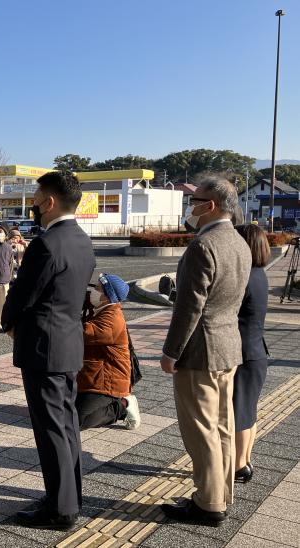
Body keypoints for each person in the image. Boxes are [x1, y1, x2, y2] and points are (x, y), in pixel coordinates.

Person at [1, 171, 96, 530]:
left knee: (51, 428)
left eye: (37, 201)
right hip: (68, 343)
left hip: (43, 346)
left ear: (50, 202)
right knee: (66, 425)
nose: (35, 208)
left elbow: (24, 293)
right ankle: (68, 496)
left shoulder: (47, 243)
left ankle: (60, 508)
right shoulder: (82, 240)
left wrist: (8, 323)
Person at [160, 175, 252, 526]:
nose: (191, 207)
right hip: (229, 346)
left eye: (194, 200)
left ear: (209, 205)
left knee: (201, 429)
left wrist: (171, 352)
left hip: (200, 351)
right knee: (223, 425)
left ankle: (209, 503)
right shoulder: (240, 243)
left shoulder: (203, 246)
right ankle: (221, 492)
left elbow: (189, 308)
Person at [77, 274, 140, 430]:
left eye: (98, 288)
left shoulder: (112, 319)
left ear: (107, 296)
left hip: (108, 380)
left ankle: (123, 405)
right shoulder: (100, 308)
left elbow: (81, 332)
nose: (93, 291)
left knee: (77, 421)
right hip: (92, 376)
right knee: (65, 413)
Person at [233, 224, 270, 483]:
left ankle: (238, 467)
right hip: (257, 352)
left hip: (244, 354)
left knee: (240, 414)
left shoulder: (245, 277)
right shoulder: (260, 274)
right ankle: (245, 459)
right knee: (249, 411)